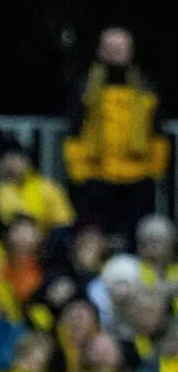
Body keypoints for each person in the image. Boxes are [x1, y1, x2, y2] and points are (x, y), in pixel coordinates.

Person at [63, 27, 168, 244]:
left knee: (138, 238)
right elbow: (75, 132)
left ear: (131, 51)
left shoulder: (146, 86)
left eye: (120, 48)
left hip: (138, 177)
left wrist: (154, 172)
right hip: (97, 175)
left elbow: (157, 133)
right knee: (94, 235)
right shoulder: (85, 86)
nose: (115, 53)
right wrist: (79, 172)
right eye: (110, 48)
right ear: (100, 51)